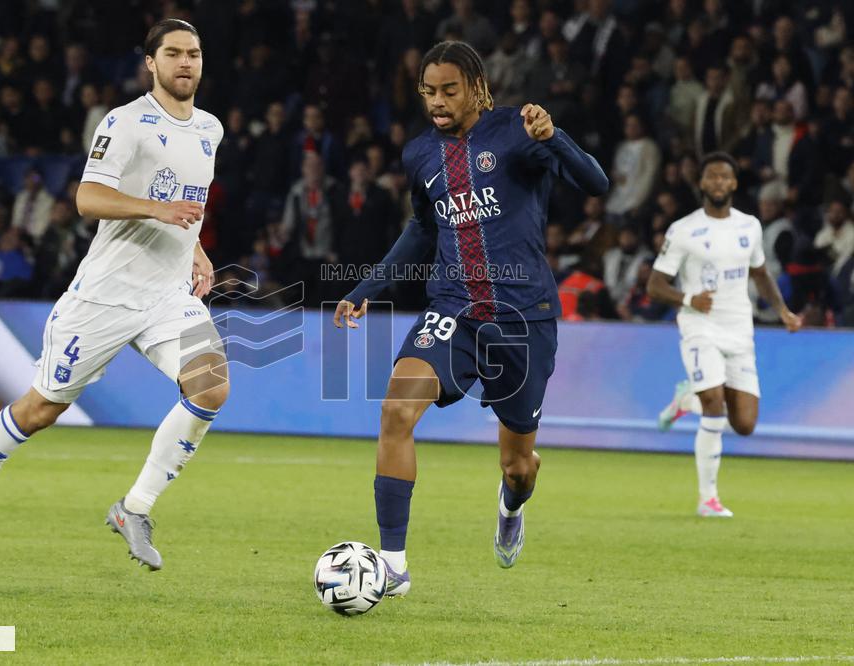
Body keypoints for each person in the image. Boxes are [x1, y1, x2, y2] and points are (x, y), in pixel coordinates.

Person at [0, 19, 228, 572]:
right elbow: (88, 197)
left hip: (166, 296)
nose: (186, 62)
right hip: (105, 297)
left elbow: (187, 205)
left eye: (194, 52)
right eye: (174, 53)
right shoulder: (127, 122)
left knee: (210, 386)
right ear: (151, 63)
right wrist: (156, 209)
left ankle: (134, 509)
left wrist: (196, 251)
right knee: (42, 408)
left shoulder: (210, 129)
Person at [334, 41, 608, 595]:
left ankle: (511, 506)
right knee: (395, 409)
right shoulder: (420, 155)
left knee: (518, 465)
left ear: (477, 87)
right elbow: (422, 228)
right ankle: (393, 565)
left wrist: (555, 137)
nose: (436, 101)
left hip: (522, 319)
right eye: (428, 92)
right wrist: (367, 285)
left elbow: (596, 183)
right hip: (453, 310)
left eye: (448, 90)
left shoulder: (516, 131)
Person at [649, 152, 801, 518]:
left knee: (745, 424)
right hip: (699, 325)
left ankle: (687, 400)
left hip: (739, 328)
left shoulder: (749, 226)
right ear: (701, 183)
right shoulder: (683, 230)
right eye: (711, 177)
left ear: (734, 183)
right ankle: (708, 499)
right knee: (715, 403)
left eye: (724, 177)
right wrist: (688, 298)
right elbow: (655, 284)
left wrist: (782, 311)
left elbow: (761, 274)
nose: (718, 182)